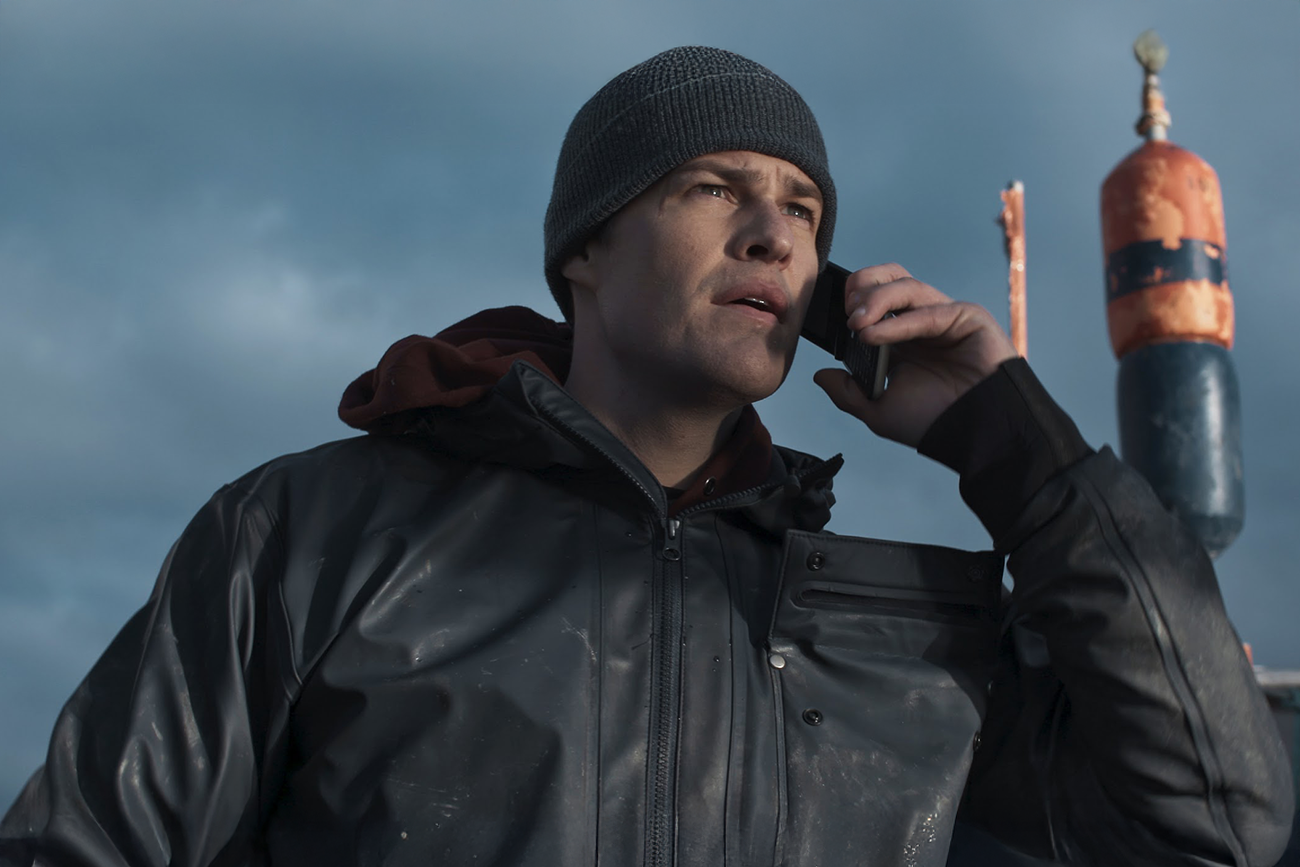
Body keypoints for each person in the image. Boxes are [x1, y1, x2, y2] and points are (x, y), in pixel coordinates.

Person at [1, 46, 1292, 867]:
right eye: (714, 188)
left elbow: (1221, 823)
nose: (773, 233)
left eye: (803, 209)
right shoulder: (310, 535)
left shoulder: (894, 637)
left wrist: (1009, 441)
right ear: (584, 249)